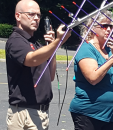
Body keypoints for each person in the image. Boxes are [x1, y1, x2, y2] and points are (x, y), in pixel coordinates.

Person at [5, 0, 71, 130]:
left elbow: (50, 75)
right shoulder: (16, 40)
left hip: (41, 113)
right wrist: (58, 41)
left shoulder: (36, 44)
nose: (36, 18)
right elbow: (31, 60)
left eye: (38, 15)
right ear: (18, 16)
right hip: (23, 114)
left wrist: (52, 46)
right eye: (31, 14)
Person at [69, 10, 113, 130]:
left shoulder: (110, 49)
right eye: (104, 26)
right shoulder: (86, 48)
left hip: (111, 115)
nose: (109, 29)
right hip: (89, 114)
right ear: (92, 28)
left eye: (111, 26)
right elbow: (93, 78)